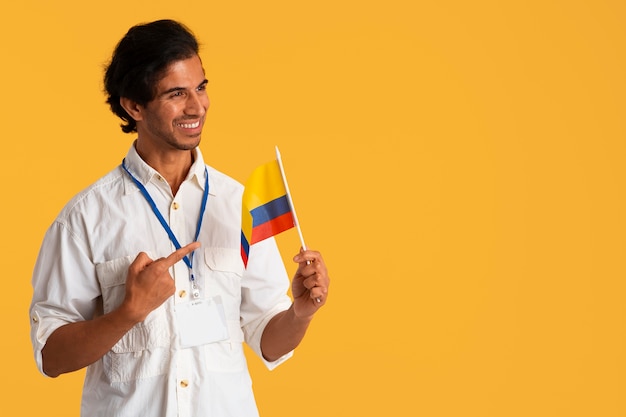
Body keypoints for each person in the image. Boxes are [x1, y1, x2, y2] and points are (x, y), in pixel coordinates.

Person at [29, 19, 330, 417]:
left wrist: (300, 313)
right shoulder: (85, 218)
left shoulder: (239, 203)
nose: (197, 106)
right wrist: (128, 313)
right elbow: (51, 356)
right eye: (176, 93)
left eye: (201, 87)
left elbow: (267, 339)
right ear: (134, 105)